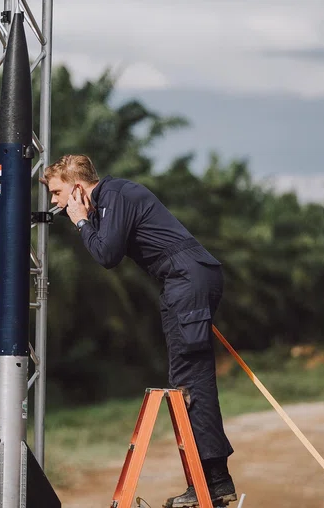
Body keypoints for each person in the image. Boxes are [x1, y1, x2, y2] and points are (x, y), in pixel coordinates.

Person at [41, 154, 238, 508]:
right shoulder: (112, 199)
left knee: (190, 381)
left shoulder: (115, 194)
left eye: (56, 193)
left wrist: (81, 221)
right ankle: (212, 483)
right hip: (183, 280)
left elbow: (107, 255)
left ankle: (213, 484)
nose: (54, 202)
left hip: (186, 279)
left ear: (76, 188)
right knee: (189, 378)